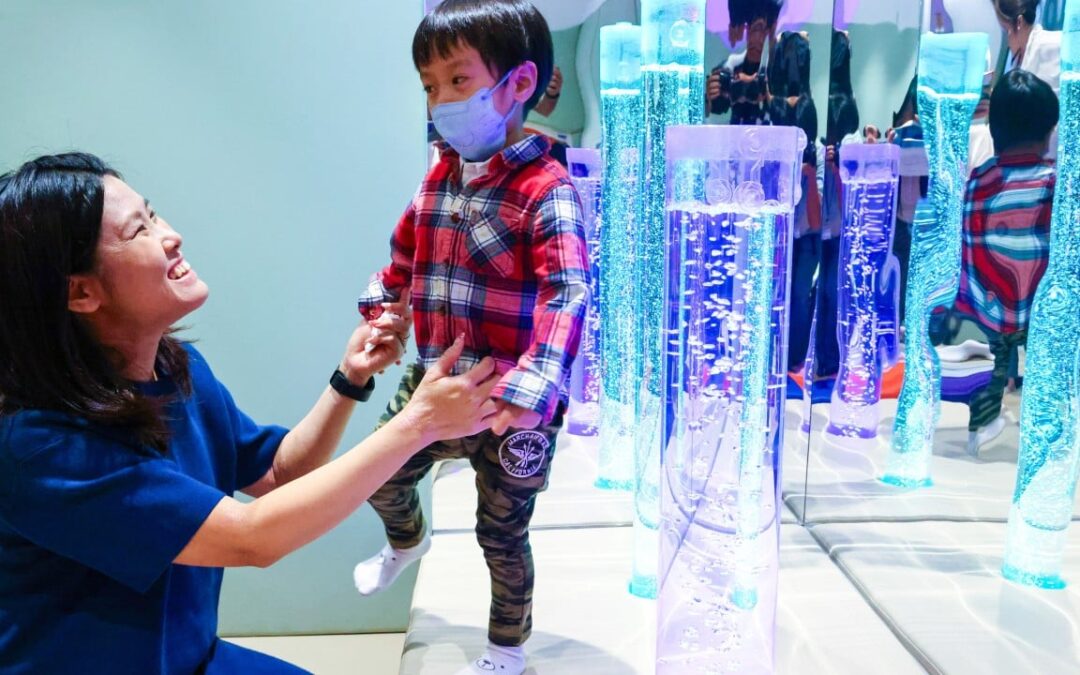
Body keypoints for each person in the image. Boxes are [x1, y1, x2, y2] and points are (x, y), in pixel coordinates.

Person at [0, 153, 500, 673]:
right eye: (138, 231)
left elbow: (280, 473)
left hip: (192, 658)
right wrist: (418, 424)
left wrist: (350, 379)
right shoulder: (42, 447)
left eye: (153, 215)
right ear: (80, 292)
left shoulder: (177, 369)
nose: (170, 235)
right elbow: (252, 537)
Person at [352, 2, 589, 674]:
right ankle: (408, 541)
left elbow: (567, 291)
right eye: (430, 85)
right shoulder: (439, 174)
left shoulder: (547, 188)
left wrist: (534, 388)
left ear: (517, 83)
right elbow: (403, 254)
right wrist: (384, 303)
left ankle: (505, 646)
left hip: (508, 402)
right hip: (431, 380)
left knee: (502, 533)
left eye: (458, 80)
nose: (442, 100)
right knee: (376, 477)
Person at [954, 69, 1058, 455]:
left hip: (987, 302)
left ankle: (980, 426)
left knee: (987, 372)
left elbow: (968, 242)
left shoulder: (979, 180)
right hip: (1039, 309)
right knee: (1050, 383)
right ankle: (1047, 436)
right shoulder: (1053, 183)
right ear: (1048, 131)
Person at [707, 1, 782, 124]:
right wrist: (710, 99)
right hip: (736, 136)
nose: (757, 38)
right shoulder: (729, 68)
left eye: (764, 30)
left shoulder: (778, 70)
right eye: (753, 29)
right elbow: (713, 109)